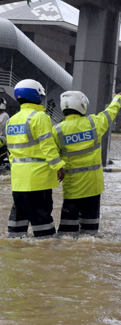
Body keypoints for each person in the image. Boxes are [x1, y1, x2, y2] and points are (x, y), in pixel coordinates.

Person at [51, 90, 121, 235]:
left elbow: (51, 155)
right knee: (90, 233)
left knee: (66, 234)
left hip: (72, 188)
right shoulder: (94, 123)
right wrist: (119, 97)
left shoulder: (57, 131)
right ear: (82, 105)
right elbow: (110, 112)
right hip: (94, 187)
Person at [6, 79, 65, 238]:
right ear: (35, 95)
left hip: (18, 180)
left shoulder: (12, 120)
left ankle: (15, 248)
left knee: (18, 218)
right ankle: (44, 255)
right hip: (38, 179)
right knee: (42, 220)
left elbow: (11, 151)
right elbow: (48, 146)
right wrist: (59, 166)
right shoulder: (40, 117)